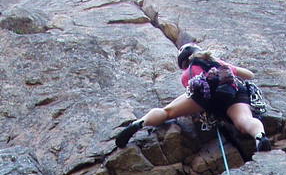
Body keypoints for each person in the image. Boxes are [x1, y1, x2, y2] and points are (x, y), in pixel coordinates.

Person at [115, 43, 271, 151]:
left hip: (206, 97)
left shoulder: (187, 73)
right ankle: (259, 136)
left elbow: (196, 90)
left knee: (167, 112)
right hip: (233, 91)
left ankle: (139, 123)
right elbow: (249, 75)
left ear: (183, 62)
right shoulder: (217, 63)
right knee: (244, 120)